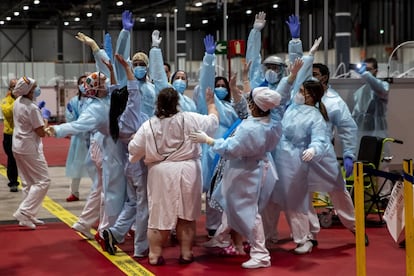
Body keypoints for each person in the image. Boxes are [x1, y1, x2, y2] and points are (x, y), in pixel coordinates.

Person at [190, 86, 282, 269]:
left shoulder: (251, 129)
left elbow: (230, 149)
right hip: (254, 168)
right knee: (231, 205)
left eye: (249, 102)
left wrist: (208, 140)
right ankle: (222, 237)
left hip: (246, 172)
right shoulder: (272, 121)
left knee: (248, 212)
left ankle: (261, 253)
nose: (247, 104)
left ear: (255, 106)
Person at [128, 87, 219, 266]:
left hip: (160, 172)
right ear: (177, 102)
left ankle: (154, 254)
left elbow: (133, 150)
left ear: (158, 103)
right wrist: (211, 104)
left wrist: (133, 140)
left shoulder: (148, 125)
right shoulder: (191, 118)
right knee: (186, 215)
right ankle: (186, 253)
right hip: (189, 170)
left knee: (159, 216)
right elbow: (213, 122)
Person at [271, 79, 330, 254]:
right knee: (270, 199)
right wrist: (293, 74)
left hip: (295, 163)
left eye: (302, 90)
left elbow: (320, 140)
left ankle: (304, 238)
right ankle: (267, 235)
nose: (298, 93)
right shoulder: (291, 108)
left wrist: (313, 149)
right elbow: (279, 98)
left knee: (295, 202)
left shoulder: (315, 116)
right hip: (277, 157)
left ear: (310, 96)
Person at [309, 63, 365, 245]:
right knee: (302, 194)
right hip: (301, 152)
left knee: (339, 191)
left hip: (324, 153)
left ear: (324, 77)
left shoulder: (334, 101)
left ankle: (355, 228)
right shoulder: (302, 95)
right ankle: (310, 235)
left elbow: (348, 128)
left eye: (315, 74)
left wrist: (349, 153)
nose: (311, 76)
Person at [101, 54, 150, 258]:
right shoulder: (131, 115)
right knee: (144, 207)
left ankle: (114, 232)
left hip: (129, 166)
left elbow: (114, 92)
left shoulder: (115, 118)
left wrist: (113, 72)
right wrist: (127, 68)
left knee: (132, 203)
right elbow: (133, 89)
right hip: (140, 165)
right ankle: (141, 248)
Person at [12, 76, 51, 229]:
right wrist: (45, 119)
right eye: (34, 87)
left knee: (28, 182)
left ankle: (28, 216)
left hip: (18, 145)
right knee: (43, 181)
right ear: (28, 91)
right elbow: (41, 132)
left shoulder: (18, 102)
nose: (37, 88)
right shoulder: (32, 108)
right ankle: (24, 211)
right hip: (29, 147)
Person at [352, 57, 390, 154]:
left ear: (376, 71)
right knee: (362, 162)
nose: (366, 72)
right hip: (362, 132)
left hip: (378, 131)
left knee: (380, 161)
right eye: (365, 70)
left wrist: (365, 74)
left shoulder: (383, 86)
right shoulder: (359, 92)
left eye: (369, 70)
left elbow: (379, 88)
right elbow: (355, 114)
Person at [64, 75, 90, 202]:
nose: (84, 85)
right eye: (81, 82)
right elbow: (70, 118)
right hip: (79, 139)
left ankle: (99, 191)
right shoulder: (74, 102)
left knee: (96, 166)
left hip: (94, 137)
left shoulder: (95, 100)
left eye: (86, 82)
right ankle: (74, 192)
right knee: (77, 166)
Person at [1, 79, 19, 192]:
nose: (15, 89)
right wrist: (18, 102)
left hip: (23, 134)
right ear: (10, 89)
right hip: (10, 135)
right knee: (12, 159)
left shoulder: (25, 100)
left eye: (17, 86)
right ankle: (13, 182)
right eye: (13, 86)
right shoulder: (5, 101)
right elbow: (7, 113)